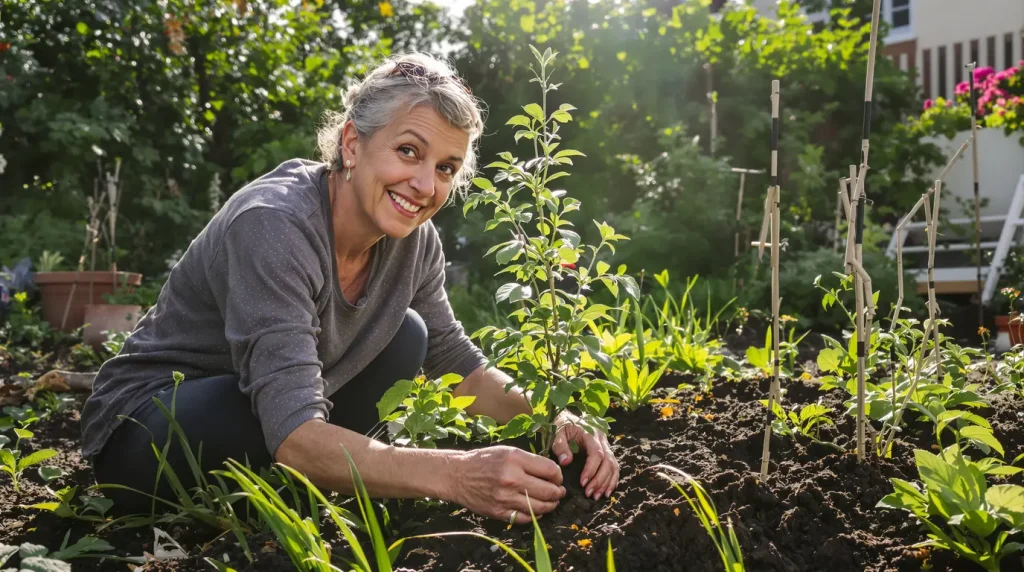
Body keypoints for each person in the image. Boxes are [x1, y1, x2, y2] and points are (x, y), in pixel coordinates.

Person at [80, 53, 619, 525]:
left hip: (261, 419)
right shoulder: (274, 224)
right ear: (353, 144)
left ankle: (304, 491)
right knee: (277, 419)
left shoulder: (414, 240)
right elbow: (291, 431)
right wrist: (456, 474)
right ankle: (300, 484)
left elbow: (456, 361)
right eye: (409, 151)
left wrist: (555, 416)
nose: (426, 186)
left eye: (446, 167)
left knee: (408, 335)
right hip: (149, 431)